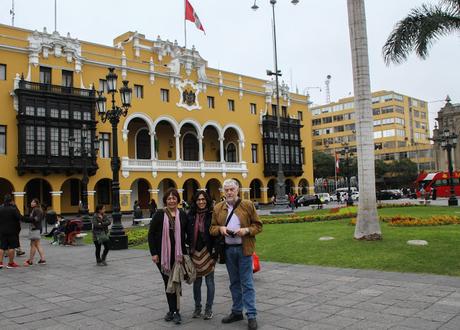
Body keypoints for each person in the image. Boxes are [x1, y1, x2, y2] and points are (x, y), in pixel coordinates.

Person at [210, 179, 263, 330]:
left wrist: (246, 230)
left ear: (237, 190)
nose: (229, 192)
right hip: (228, 250)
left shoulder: (247, 205)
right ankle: (237, 311)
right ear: (223, 191)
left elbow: (258, 226)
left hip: (244, 249)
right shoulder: (218, 207)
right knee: (234, 283)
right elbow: (212, 228)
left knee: (247, 283)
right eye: (226, 190)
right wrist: (221, 229)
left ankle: (251, 315)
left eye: (232, 189)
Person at [148, 188, 187, 325]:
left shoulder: (182, 214)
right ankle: (172, 310)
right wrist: (154, 253)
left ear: (178, 200)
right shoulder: (159, 214)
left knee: (176, 282)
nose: (172, 200)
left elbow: (187, 233)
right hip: (163, 256)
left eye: (174, 198)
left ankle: (176, 311)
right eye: (169, 198)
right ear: (165, 201)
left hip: (178, 256)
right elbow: (151, 235)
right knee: (167, 282)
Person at [186, 191, 216, 320]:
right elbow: (186, 232)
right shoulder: (191, 215)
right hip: (194, 252)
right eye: (198, 200)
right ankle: (197, 307)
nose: (201, 202)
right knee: (196, 282)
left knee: (210, 282)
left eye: (203, 199)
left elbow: (216, 233)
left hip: (208, 251)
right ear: (195, 201)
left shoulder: (212, 214)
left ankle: (208, 308)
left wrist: (216, 252)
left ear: (207, 200)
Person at [0, 194, 22, 269]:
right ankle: (10, 263)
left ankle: (0, 263)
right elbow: (19, 217)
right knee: (12, 246)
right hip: (12, 230)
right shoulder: (13, 208)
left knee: (2, 247)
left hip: (2, 230)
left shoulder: (0, 208)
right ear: (11, 201)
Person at [24, 198, 46, 266]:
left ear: (36, 203)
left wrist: (27, 219)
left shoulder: (37, 210)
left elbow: (37, 219)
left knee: (33, 245)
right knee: (36, 244)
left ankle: (31, 261)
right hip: (36, 228)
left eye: (32, 202)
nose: (31, 203)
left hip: (35, 229)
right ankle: (42, 259)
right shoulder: (36, 209)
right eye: (31, 202)